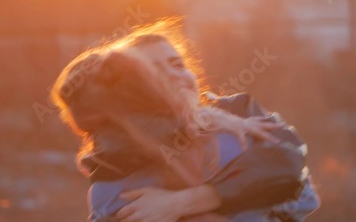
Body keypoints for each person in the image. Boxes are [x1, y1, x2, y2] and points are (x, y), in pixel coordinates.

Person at [50, 19, 321, 222]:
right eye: (154, 70)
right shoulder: (117, 172)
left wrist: (183, 202)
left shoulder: (237, 111)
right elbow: (297, 192)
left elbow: (292, 170)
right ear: (134, 91)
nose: (175, 74)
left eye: (177, 64)